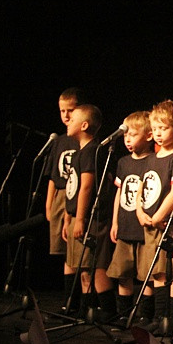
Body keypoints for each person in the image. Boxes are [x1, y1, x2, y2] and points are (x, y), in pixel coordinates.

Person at [137, 100, 173, 334]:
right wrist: (140, 210)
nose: (158, 133)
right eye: (155, 128)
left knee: (171, 272)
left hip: (167, 224)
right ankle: (158, 317)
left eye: (164, 128)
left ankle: (172, 318)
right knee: (155, 272)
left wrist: (159, 215)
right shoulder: (150, 158)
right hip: (149, 224)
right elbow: (142, 187)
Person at [61, 104, 116, 321]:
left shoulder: (92, 150)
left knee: (96, 265)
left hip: (91, 218)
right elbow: (72, 189)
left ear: (84, 125)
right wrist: (68, 217)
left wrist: (80, 219)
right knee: (83, 267)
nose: (68, 121)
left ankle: (110, 312)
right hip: (76, 216)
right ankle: (87, 310)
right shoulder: (80, 151)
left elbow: (85, 186)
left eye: (72, 118)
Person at [106, 111, 154, 324]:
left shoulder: (154, 161)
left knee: (146, 275)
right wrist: (115, 221)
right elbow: (119, 192)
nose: (127, 140)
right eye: (126, 135)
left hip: (144, 227)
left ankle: (145, 315)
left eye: (133, 135)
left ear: (149, 136)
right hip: (125, 225)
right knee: (123, 272)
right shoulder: (124, 162)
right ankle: (123, 313)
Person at [45, 88, 83, 313]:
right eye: (62, 111)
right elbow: (53, 176)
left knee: (75, 251)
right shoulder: (58, 141)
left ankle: (80, 301)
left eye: (71, 111)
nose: (66, 116)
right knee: (64, 252)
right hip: (60, 195)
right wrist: (49, 205)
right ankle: (69, 301)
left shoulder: (82, 141)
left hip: (75, 195)